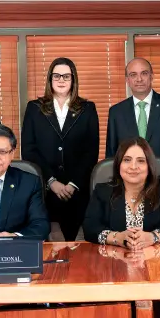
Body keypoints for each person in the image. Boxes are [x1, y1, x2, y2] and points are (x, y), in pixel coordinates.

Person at [21, 58, 99, 241]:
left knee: (76, 247)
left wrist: (73, 184)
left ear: (73, 79)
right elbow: (29, 150)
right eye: (56, 76)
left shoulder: (87, 108)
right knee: (47, 247)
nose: (61, 80)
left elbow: (91, 151)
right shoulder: (34, 108)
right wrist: (51, 181)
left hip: (77, 191)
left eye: (66, 76)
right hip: (45, 189)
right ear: (49, 79)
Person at [106, 57, 160, 193]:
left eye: (144, 73)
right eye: (133, 75)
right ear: (127, 80)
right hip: (128, 187)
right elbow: (111, 155)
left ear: (152, 76)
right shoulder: (116, 112)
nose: (139, 79)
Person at [83, 137, 160, 247]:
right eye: (127, 160)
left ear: (149, 166)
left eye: (141, 161)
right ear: (119, 164)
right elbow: (90, 227)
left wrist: (153, 237)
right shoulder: (102, 191)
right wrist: (116, 237)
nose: (133, 167)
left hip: (156, 259)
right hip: (114, 259)